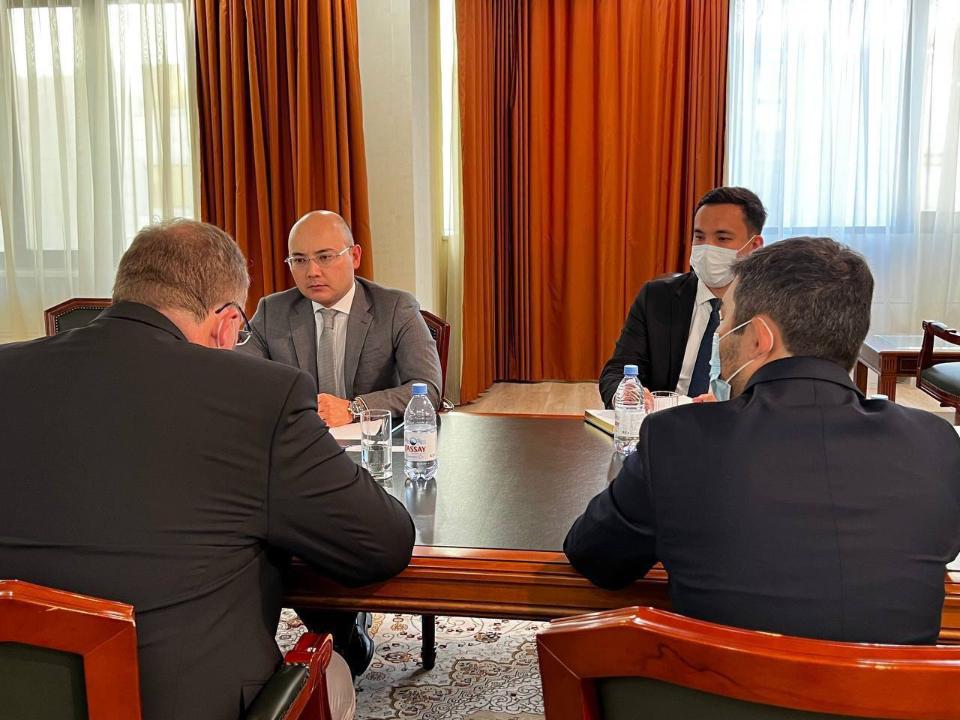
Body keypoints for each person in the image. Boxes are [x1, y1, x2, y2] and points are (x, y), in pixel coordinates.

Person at [0, 219, 416, 720]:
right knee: (337, 677)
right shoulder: (261, 395)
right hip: (192, 702)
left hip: (16, 694)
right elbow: (382, 544)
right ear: (226, 323)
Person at [567, 237, 960, 645]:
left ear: (758, 337)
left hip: (719, 682)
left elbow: (594, 557)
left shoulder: (677, 438)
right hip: (890, 684)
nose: (720, 334)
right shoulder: (935, 444)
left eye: (725, 320)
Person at [240, 210, 443, 427]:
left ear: (355, 256)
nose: (312, 271)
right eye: (299, 260)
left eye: (325, 257)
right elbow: (238, 377)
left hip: (372, 440)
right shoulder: (272, 311)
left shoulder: (395, 308)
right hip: (298, 437)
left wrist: (354, 409)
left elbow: (427, 389)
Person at [598, 187, 765, 407]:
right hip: (663, 420)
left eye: (722, 238)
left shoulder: (771, 309)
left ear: (754, 246)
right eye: (699, 236)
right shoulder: (656, 298)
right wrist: (627, 393)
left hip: (732, 423)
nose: (707, 247)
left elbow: (779, 393)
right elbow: (618, 370)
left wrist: (732, 404)